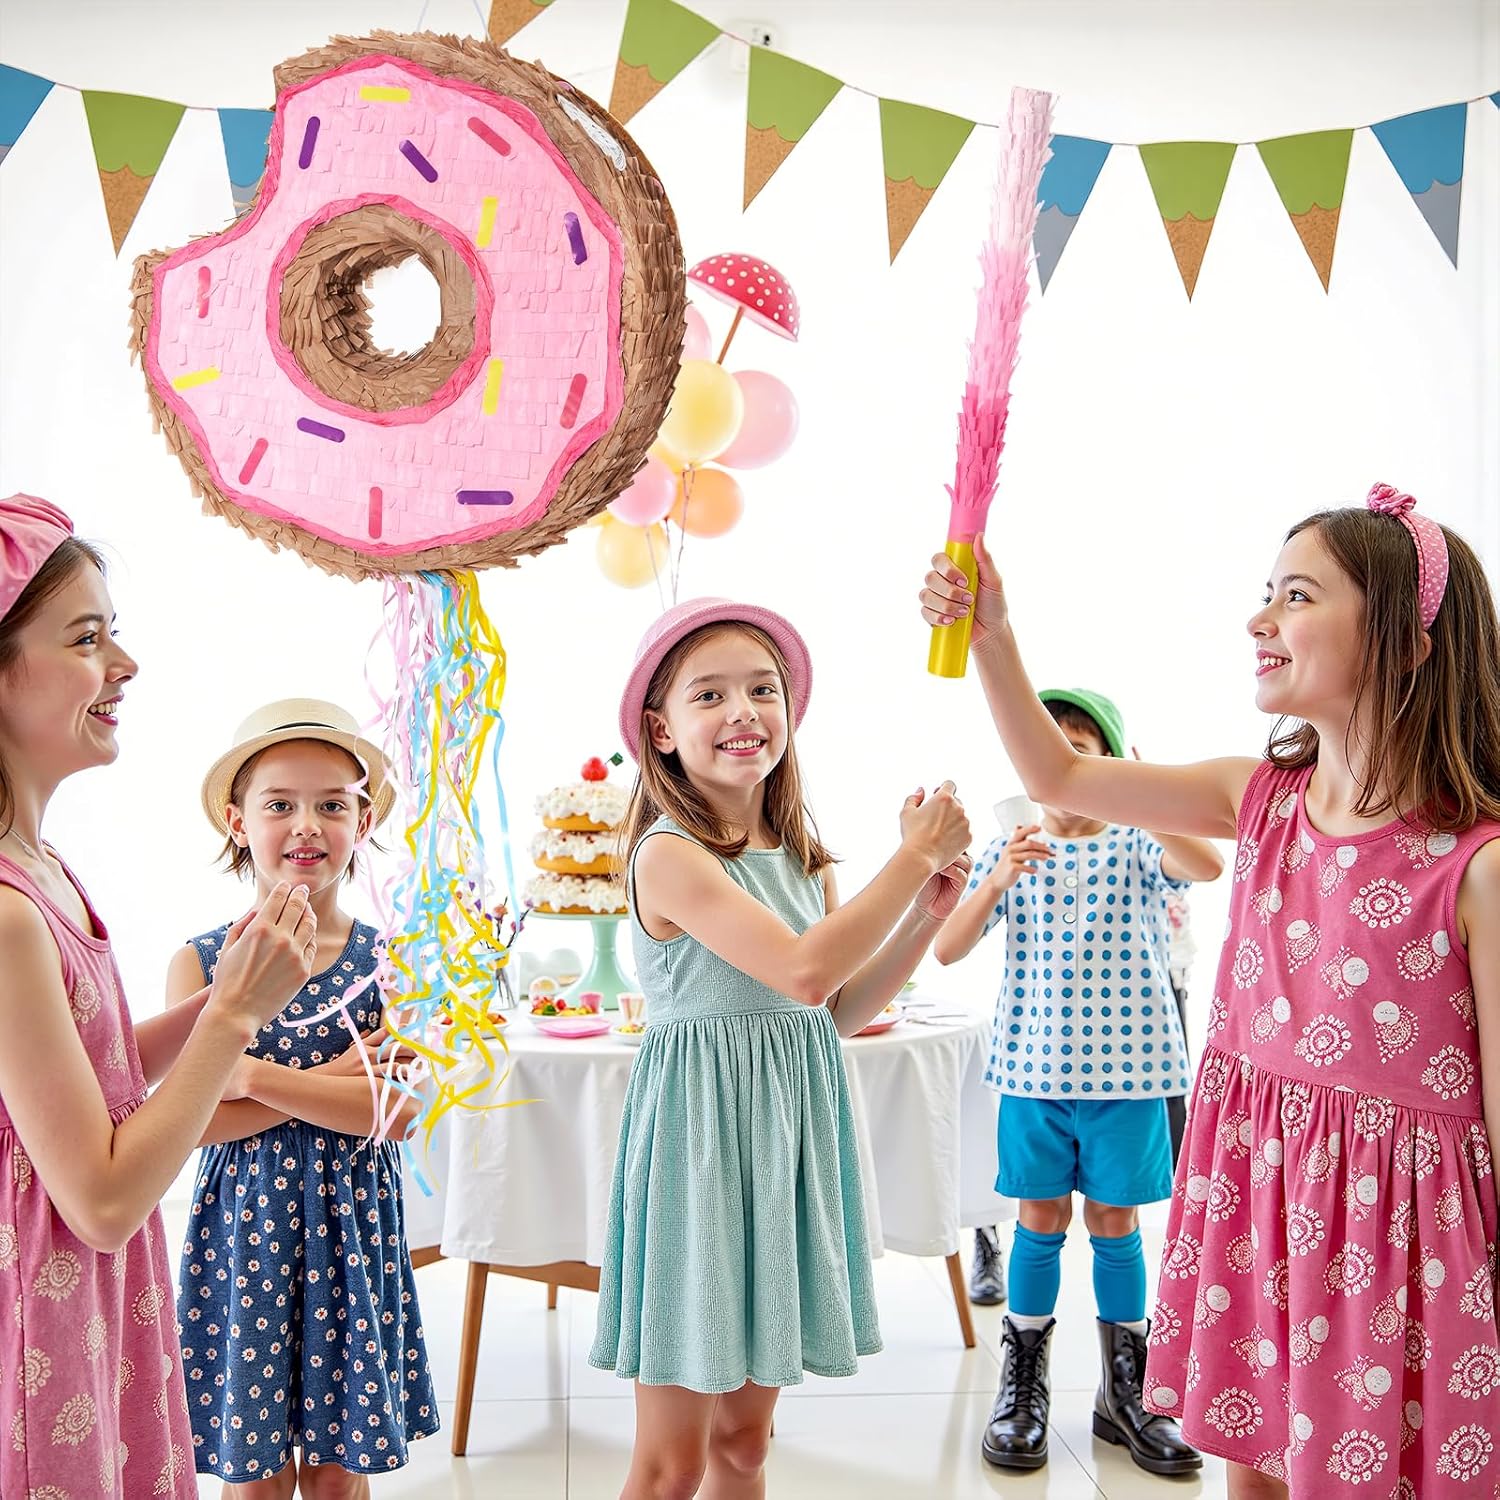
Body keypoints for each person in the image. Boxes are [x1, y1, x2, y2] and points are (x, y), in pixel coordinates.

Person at [919, 483, 1500, 1498]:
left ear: (1407, 643)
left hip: (1400, 1243)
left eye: (1298, 596)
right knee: (1253, 1468)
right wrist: (993, 633)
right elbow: (1058, 777)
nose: (1259, 618)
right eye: (1266, 592)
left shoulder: (1478, 865)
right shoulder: (1257, 796)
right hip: (1259, 1196)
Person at [590, 597, 973, 1500]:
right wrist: (910, 860)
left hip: (782, 1151)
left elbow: (830, 1011)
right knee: (672, 1465)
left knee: (746, 1444)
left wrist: (923, 919)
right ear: (662, 731)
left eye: (763, 689)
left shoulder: (803, 854)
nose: (743, 711)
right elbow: (803, 971)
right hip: (699, 1154)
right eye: (709, 694)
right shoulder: (668, 855)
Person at [0, 494, 318, 1497]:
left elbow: (82, 1081)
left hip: (93, 1311)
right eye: (87, 639)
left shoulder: (46, 870)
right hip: (42, 1321)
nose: (124, 664)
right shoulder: (6, 915)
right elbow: (99, 1201)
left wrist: (225, 993)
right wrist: (231, 1018)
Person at [935, 686, 1220, 1476]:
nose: (1059, 771)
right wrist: (996, 879)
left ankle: (1127, 1391)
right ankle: (1022, 1383)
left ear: (1108, 769)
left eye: (1079, 755)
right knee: (1039, 1218)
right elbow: (949, 948)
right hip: (1032, 1073)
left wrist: (1147, 797)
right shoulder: (1013, 848)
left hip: (1131, 1076)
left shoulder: (1134, 843)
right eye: (1046, 756)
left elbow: (1206, 864)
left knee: (1115, 1222)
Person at [170, 699, 439, 1495]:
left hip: (352, 1231)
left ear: (363, 821)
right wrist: (333, 1081)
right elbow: (191, 1122)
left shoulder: (393, 963)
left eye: (332, 806)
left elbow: (397, 1113)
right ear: (238, 821)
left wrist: (249, 1075)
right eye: (280, 805)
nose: (307, 826)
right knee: (254, 1478)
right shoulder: (202, 963)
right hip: (243, 1234)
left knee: (335, 1476)